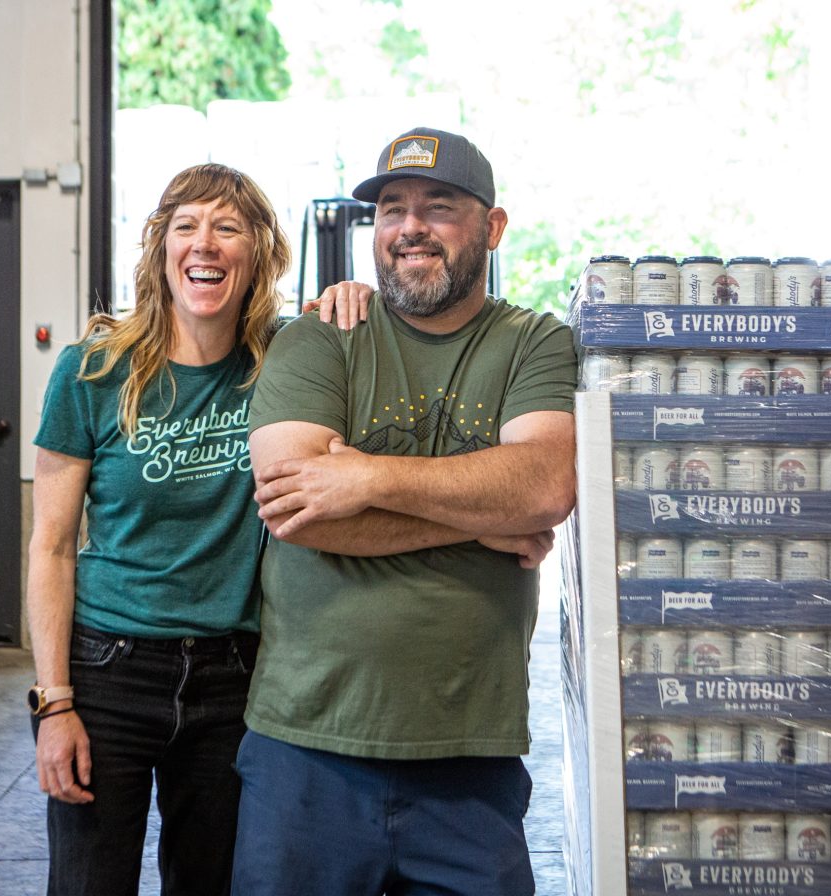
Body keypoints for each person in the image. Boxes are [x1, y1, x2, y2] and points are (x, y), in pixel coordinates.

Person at [232, 127, 578, 896]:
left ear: (491, 227)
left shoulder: (536, 342)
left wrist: (365, 478)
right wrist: (484, 516)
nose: (409, 227)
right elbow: (301, 509)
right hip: (307, 746)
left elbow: (547, 483)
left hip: (470, 751)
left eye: (438, 206)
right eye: (391, 209)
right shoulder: (320, 337)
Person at [26, 161, 370, 896]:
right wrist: (53, 701)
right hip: (106, 670)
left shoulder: (284, 362)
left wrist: (353, 298)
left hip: (234, 674)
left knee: (212, 883)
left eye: (227, 227)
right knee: (89, 884)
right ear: (160, 250)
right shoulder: (92, 371)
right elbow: (51, 546)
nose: (204, 244)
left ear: (259, 254)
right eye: (185, 226)